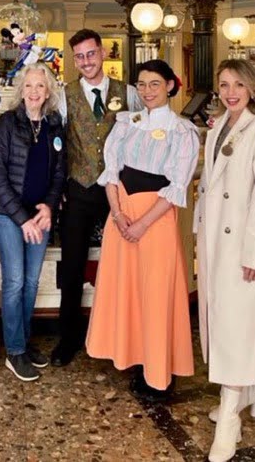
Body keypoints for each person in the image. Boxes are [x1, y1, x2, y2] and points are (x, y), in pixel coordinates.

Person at [85, 59, 199, 400]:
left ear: (170, 85)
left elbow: (177, 186)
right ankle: (136, 358)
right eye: (142, 84)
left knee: (156, 294)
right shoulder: (126, 123)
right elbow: (111, 172)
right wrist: (118, 215)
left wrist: (142, 224)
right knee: (130, 292)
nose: (147, 91)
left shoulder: (182, 131)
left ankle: (159, 372)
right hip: (121, 219)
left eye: (155, 84)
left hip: (155, 222)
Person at [51, 29, 142, 367]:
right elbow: (57, 144)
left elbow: (141, 137)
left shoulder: (128, 93)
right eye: (80, 56)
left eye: (91, 53)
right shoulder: (64, 96)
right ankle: (68, 338)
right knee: (72, 265)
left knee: (126, 262)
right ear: (74, 60)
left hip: (119, 189)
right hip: (80, 188)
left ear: (103, 53)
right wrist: (57, 189)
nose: (86, 61)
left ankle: (127, 335)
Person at [0, 63, 65, 381]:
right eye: (29, 86)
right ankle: (15, 351)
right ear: (21, 90)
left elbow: (59, 172)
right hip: (8, 215)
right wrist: (22, 220)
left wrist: (48, 207)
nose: (34, 92)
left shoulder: (54, 124)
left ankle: (23, 340)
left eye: (40, 86)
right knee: (15, 281)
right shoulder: (8, 122)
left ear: (48, 92)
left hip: (39, 215)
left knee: (32, 281)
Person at [195, 59, 255, 462]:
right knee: (223, 323)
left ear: (251, 88)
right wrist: (199, 227)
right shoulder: (217, 126)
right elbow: (208, 185)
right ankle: (238, 394)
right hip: (215, 239)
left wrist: (253, 250)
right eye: (224, 85)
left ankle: (230, 419)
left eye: (238, 84)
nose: (231, 92)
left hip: (241, 247)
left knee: (235, 328)